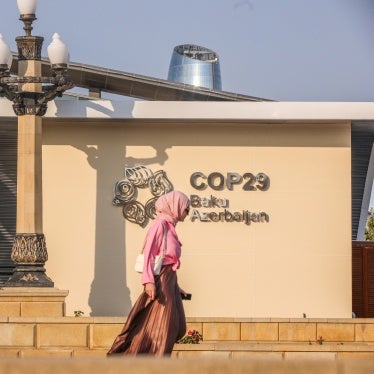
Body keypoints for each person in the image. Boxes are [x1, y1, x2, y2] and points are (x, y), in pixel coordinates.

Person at [107, 190, 190, 356]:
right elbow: (149, 253)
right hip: (160, 281)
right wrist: (148, 281)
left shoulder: (170, 226)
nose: (188, 212)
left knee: (176, 326)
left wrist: (176, 286)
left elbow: (168, 260)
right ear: (176, 205)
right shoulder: (159, 224)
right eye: (186, 208)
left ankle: (146, 357)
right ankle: (152, 362)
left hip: (169, 280)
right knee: (164, 326)